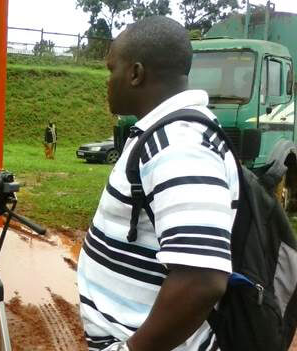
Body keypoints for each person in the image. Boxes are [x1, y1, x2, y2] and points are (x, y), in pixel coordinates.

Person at [77, 16, 239, 351]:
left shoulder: (179, 146)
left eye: (111, 70)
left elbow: (202, 279)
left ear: (135, 74)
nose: (107, 81)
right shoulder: (162, 135)